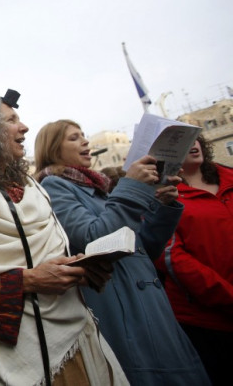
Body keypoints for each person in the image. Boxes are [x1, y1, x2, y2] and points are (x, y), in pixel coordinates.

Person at [0, 91, 127, 385]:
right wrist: (29, 281)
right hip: (5, 349)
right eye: (11, 120)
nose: (25, 128)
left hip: (73, 333)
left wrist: (75, 269)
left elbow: (50, 252)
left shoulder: (33, 187)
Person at [35, 119, 209, 385]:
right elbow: (93, 238)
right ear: (52, 149)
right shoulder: (54, 187)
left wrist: (161, 207)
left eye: (84, 134)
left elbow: (142, 248)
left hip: (154, 310)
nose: (85, 141)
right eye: (73, 138)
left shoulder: (99, 189)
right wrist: (133, 187)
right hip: (125, 310)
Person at [154, 135, 233, 385]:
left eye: (194, 138)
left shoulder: (229, 177)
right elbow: (171, 257)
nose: (193, 144)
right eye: (182, 142)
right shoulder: (162, 196)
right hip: (208, 320)